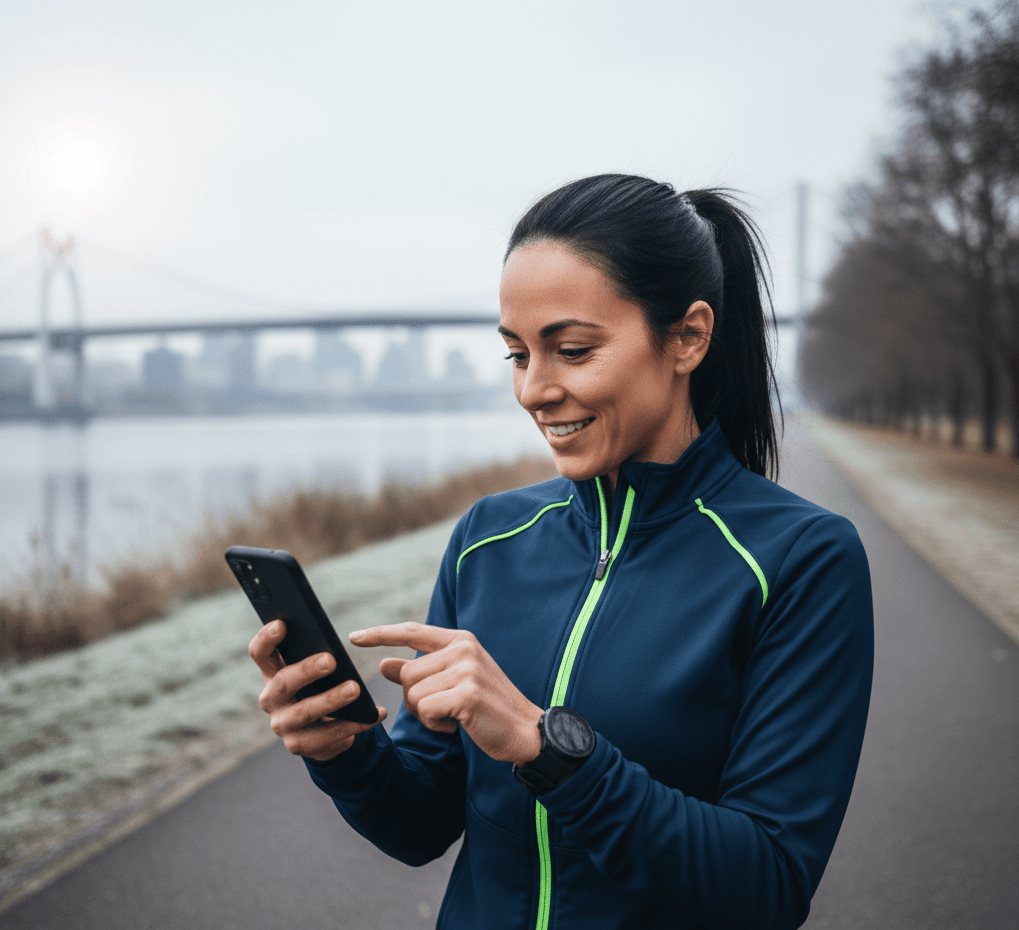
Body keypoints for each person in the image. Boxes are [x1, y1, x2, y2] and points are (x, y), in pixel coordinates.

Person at [248, 174, 874, 930]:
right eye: (517, 355)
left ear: (687, 337)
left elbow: (765, 887)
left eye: (571, 351)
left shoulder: (799, 561)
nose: (533, 391)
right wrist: (343, 752)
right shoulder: (487, 539)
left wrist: (544, 748)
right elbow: (419, 825)